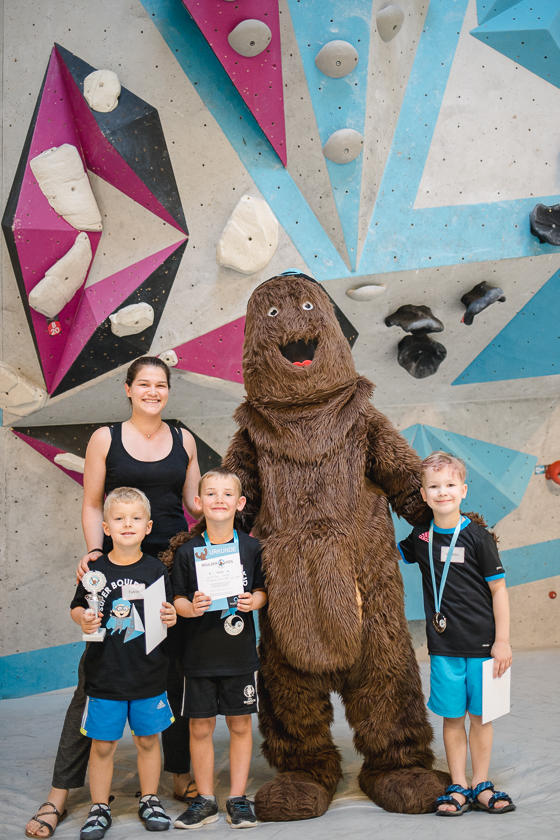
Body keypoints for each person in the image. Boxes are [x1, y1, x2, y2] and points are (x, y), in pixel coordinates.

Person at [26, 356, 200, 839]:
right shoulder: (105, 438)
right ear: (128, 389)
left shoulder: (183, 438)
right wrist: (95, 555)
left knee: (174, 672)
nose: (152, 391)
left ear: (168, 391)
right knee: (94, 680)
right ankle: (59, 794)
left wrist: (230, 500)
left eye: (160, 385)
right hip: (117, 567)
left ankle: (179, 775)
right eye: (143, 384)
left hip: (168, 567)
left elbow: (193, 504)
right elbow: (92, 503)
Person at [398, 451, 515, 816]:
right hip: (444, 647)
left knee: (481, 718)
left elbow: (499, 591)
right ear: (423, 494)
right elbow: (381, 555)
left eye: (450, 485)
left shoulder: (478, 537)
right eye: (434, 486)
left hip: (483, 647)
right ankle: (458, 785)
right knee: (452, 717)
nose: (442, 492)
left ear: (463, 490)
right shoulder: (419, 538)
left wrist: (503, 641)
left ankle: (481, 783)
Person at [71, 487, 177, 837]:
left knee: (148, 740)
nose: (127, 524)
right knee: (103, 745)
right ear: (106, 526)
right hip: (105, 676)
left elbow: (169, 612)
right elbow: (77, 606)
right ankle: (99, 807)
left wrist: (173, 615)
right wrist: (82, 618)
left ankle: (149, 799)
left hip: (149, 674)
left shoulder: (157, 570)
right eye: (119, 518)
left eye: (135, 518)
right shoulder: (94, 570)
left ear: (148, 527)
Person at [170, 468, 267, 829]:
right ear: (198, 503)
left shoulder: (251, 547)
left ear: (240, 503)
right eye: (211, 494)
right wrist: (189, 608)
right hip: (198, 655)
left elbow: (262, 590)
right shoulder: (187, 552)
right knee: (200, 728)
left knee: (240, 724)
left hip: (239, 654)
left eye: (228, 494)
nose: (219, 500)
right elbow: (177, 599)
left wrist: (252, 602)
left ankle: (238, 799)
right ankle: (206, 799)